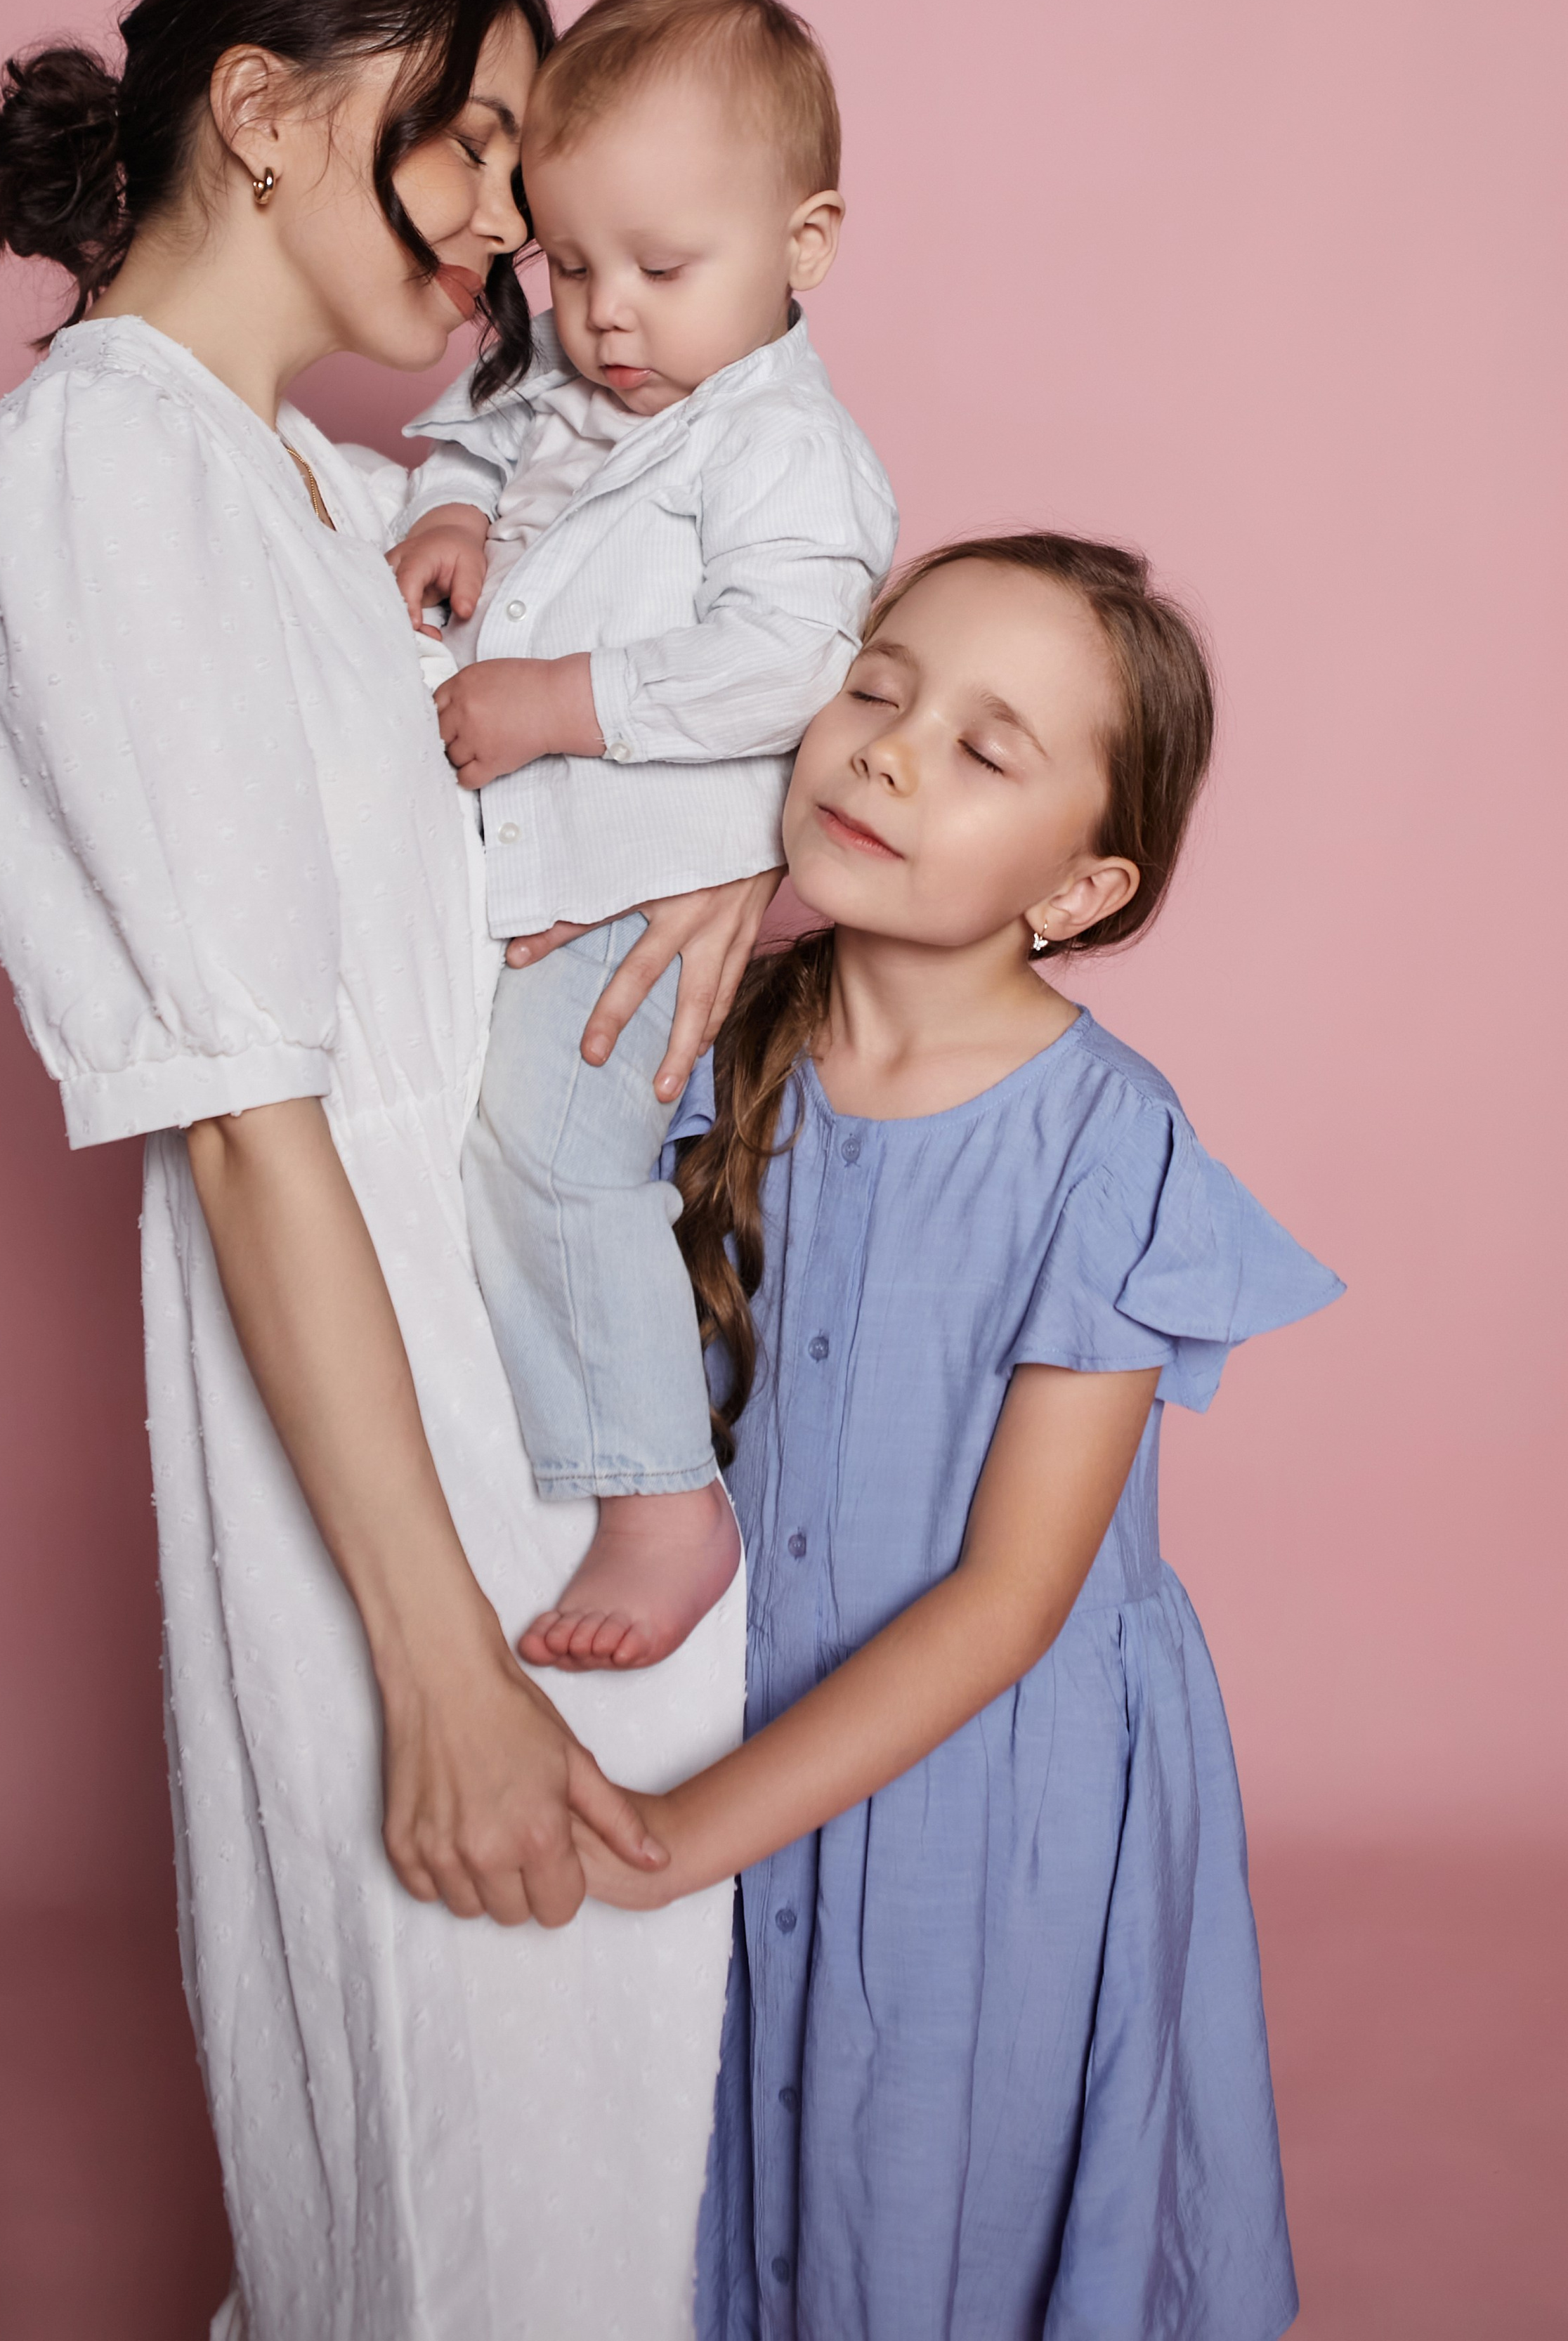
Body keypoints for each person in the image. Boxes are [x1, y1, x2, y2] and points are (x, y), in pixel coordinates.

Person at [0, 0, 762, 2341]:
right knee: (457, 2169)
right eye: (474, 138)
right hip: (384, 1425)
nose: (516, 215)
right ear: (264, 110)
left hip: (538, 1371)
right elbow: (243, 1112)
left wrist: (734, 870)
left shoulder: (314, 481)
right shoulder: (101, 467)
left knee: (605, 2154)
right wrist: (439, 1664)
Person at [573, 536, 1342, 2339]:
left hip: (991, 1804)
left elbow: (1009, 1603)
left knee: (930, 2224)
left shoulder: (1106, 1145)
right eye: (874, 690)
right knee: (706, 2214)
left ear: (1079, 888)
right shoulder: (707, 1048)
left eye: (984, 751)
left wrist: (683, 1837)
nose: (889, 753)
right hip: (728, 1714)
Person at [386, 0, 898, 1673]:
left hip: (647, 881)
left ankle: (660, 1496)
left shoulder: (782, 448)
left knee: (554, 1151)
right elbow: (482, 426)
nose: (606, 317)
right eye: (565, 264)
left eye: (661, 272)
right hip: (536, 872)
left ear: (802, 243)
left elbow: (787, 660)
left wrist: (557, 700)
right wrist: (451, 510)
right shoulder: (584, 372)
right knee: (491, 1151)